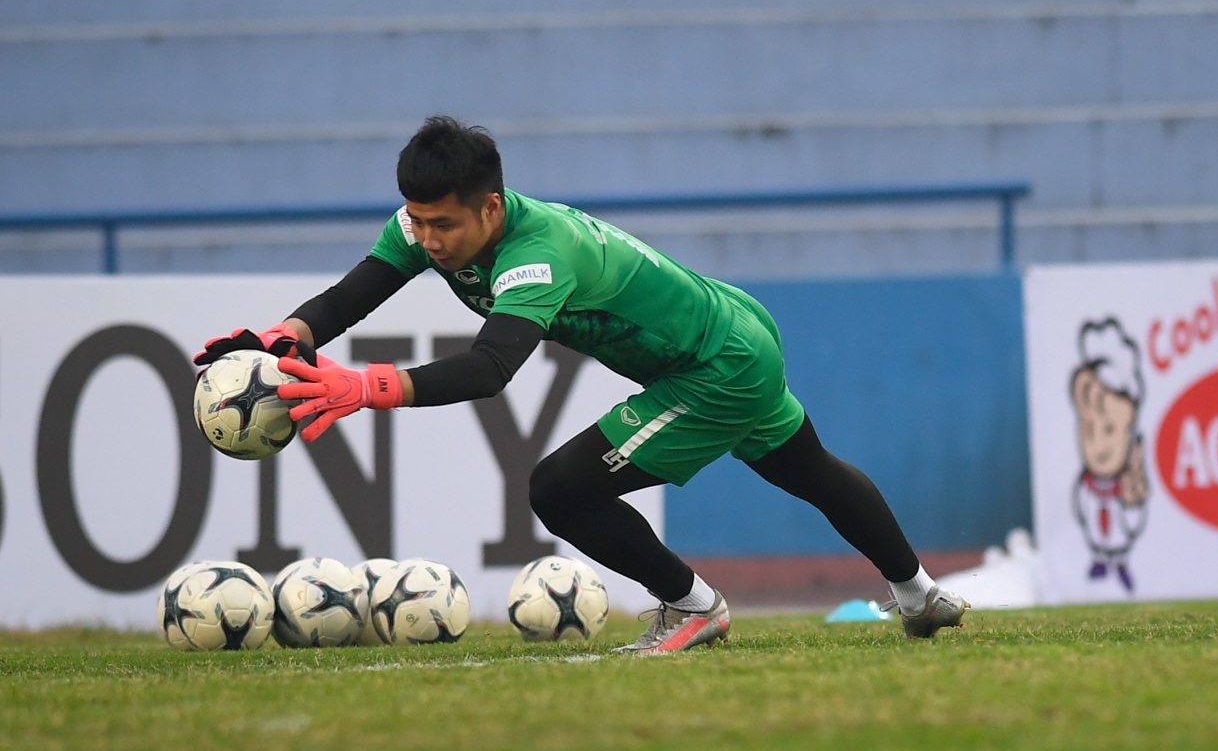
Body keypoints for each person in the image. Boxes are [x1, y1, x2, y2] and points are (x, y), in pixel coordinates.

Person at [192, 116, 969, 651]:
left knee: (559, 489)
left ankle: (693, 606)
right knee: (808, 469)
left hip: (715, 365)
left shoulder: (538, 253)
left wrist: (366, 387)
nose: (427, 240)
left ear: (491, 207)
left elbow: (491, 367)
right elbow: (354, 293)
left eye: (444, 226)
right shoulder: (424, 226)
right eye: (417, 222)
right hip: (729, 331)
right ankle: (921, 596)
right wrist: (286, 335)